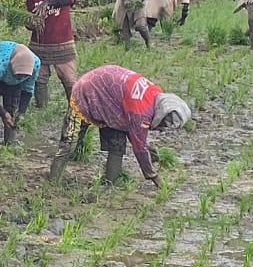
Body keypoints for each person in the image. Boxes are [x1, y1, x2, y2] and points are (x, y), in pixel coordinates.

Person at [49, 65, 190, 184]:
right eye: (163, 125)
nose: (161, 130)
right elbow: (138, 146)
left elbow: (135, 133)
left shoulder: (155, 94)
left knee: (117, 144)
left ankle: (110, 183)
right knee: (70, 142)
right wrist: (153, 176)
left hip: (112, 102)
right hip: (87, 91)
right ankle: (53, 181)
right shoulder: (140, 112)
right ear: (161, 114)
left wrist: (146, 147)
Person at [24, 0, 77, 107]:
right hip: (39, 43)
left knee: (69, 79)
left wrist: (49, 3)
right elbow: (30, 15)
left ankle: (75, 109)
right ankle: (42, 108)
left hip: (62, 41)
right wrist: (31, 23)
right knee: (39, 79)